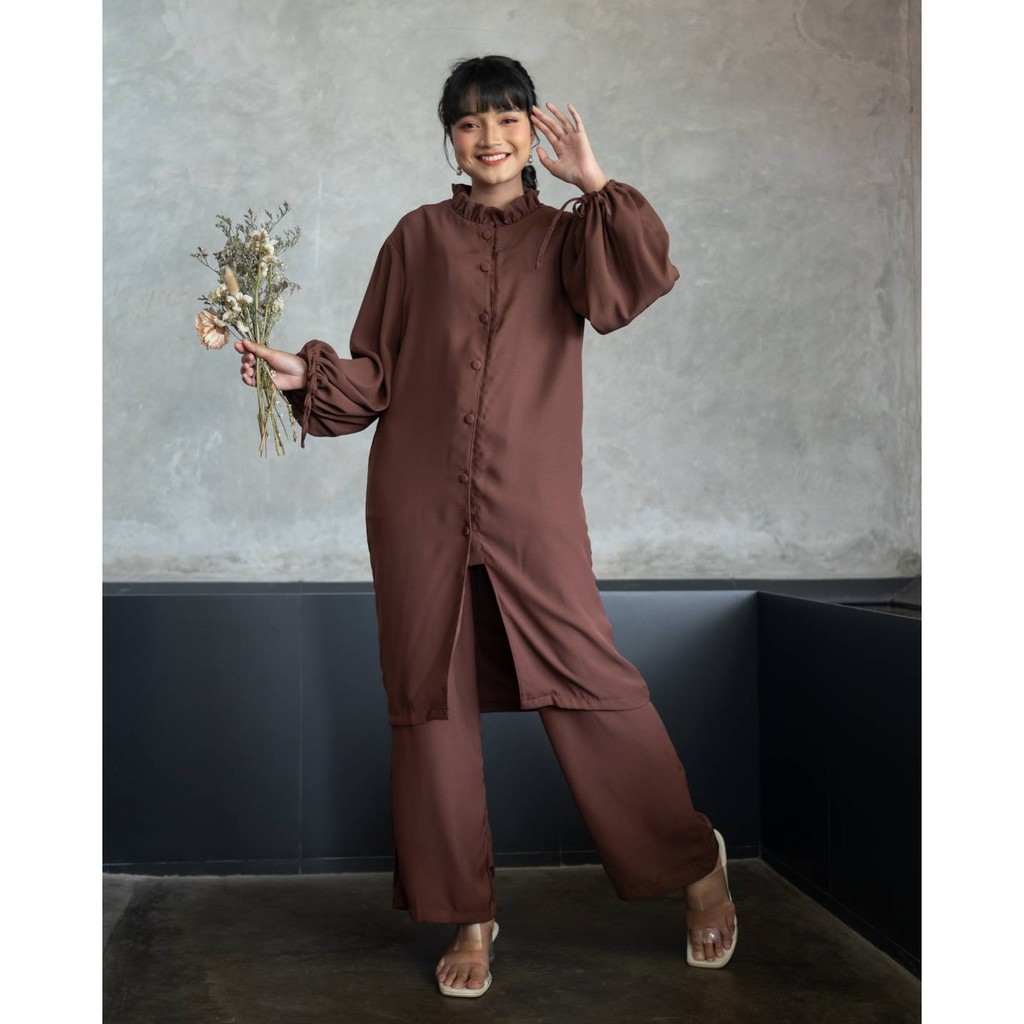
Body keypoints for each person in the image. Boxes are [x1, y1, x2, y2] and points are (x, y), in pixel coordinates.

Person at [236, 54, 738, 998]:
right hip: (417, 506)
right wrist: (310, 376)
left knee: (591, 688)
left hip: (529, 506)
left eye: (507, 118)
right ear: (450, 140)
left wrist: (595, 183)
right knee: (431, 703)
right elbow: (378, 372)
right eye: (469, 123)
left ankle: (694, 861)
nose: (490, 137)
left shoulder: (572, 235)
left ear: (533, 131)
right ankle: (469, 912)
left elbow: (632, 286)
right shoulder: (415, 238)